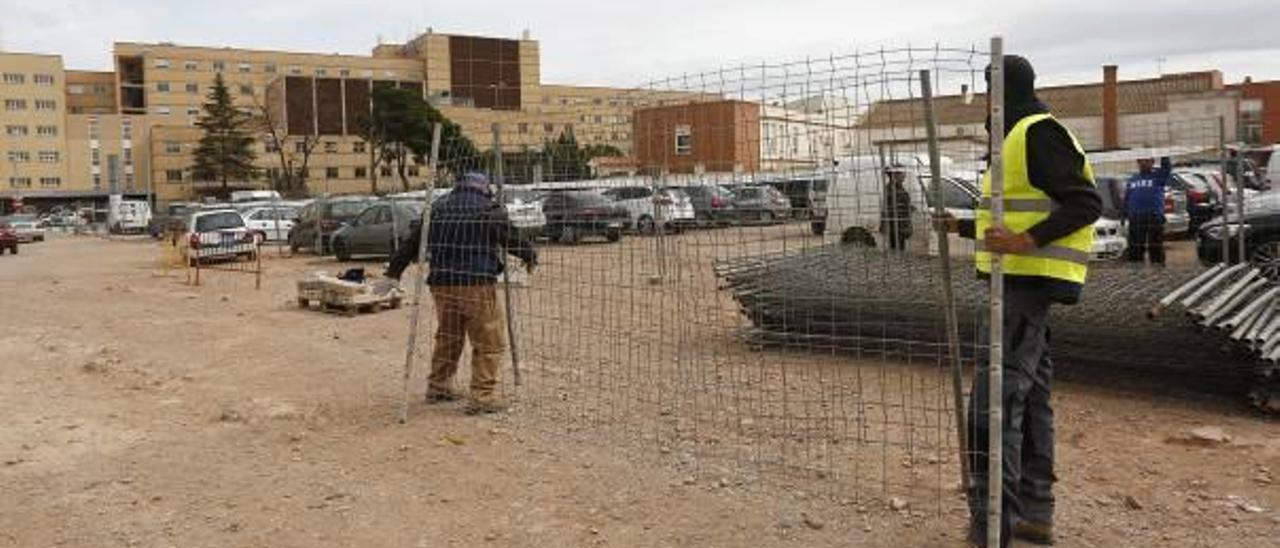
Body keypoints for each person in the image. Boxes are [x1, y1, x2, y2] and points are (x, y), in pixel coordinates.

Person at [937, 55, 1102, 547]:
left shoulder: (1035, 132)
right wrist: (963, 226)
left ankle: (994, 528)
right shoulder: (1015, 137)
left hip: (1023, 290)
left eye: (988, 91)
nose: (986, 103)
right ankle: (1033, 514)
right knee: (1029, 405)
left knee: (993, 410)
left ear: (1000, 92)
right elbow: (1009, 217)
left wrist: (1026, 243)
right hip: (1020, 287)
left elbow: (1085, 202)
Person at [383, 172, 537, 415]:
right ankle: (482, 396)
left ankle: (438, 386)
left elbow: (413, 243)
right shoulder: (488, 208)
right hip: (476, 282)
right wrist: (529, 255)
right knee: (489, 340)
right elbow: (511, 237)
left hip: (442, 283)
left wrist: (394, 271)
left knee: (449, 335)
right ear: (483, 187)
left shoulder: (437, 208)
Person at [1122, 155, 1172, 265]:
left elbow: (1167, 167)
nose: (1144, 163)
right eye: (1141, 161)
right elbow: (1127, 197)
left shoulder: (1158, 176)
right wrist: (1124, 213)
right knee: (1135, 246)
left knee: (1155, 245)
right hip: (1136, 217)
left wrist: (1163, 153)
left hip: (1154, 216)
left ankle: (1158, 268)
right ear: (1138, 162)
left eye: (1147, 160)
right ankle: (1136, 269)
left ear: (1152, 162)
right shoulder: (1132, 179)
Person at [879, 167, 913, 251]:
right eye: (902, 173)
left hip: (899, 225)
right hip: (896, 226)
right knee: (897, 250)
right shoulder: (892, 189)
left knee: (898, 249)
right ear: (896, 175)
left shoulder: (897, 187)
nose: (905, 175)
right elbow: (892, 208)